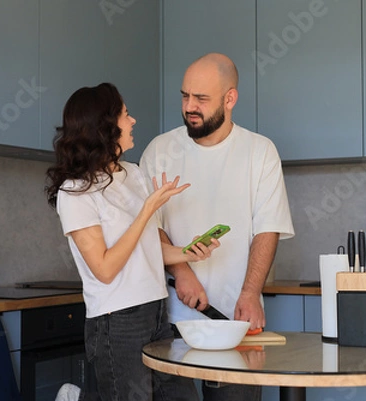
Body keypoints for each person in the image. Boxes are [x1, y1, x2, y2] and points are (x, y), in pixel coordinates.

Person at [46, 82, 218, 401]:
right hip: (116, 322)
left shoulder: (133, 173)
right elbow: (105, 269)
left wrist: (189, 252)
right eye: (126, 114)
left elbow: (146, 248)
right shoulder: (75, 192)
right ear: (105, 126)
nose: (133, 120)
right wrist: (148, 209)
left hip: (154, 309)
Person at [140, 53, 295, 401]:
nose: (190, 106)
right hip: (168, 321)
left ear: (230, 98)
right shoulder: (159, 150)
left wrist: (251, 292)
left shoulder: (260, 152)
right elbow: (148, 224)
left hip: (234, 321)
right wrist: (181, 271)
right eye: (185, 96)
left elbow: (267, 228)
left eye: (201, 99)